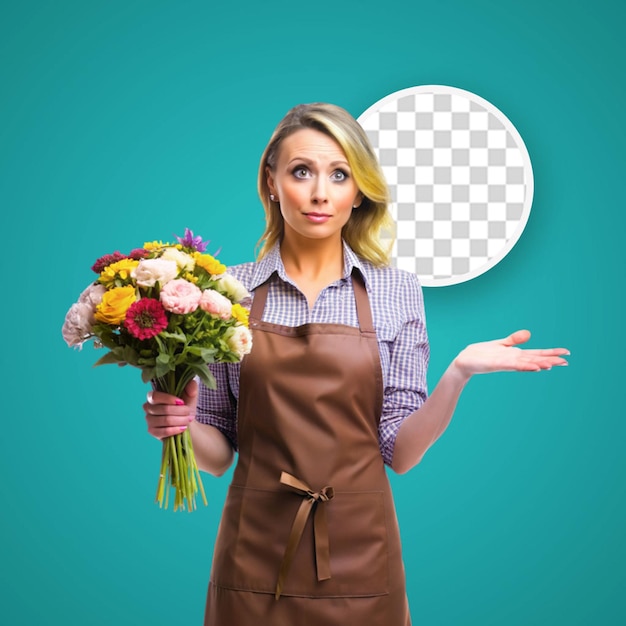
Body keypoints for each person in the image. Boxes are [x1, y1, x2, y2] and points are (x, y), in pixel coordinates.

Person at [143, 103, 569, 625]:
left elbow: (400, 452)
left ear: (358, 189)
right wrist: (179, 427)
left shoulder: (396, 290)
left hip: (361, 550)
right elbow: (217, 454)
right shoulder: (227, 289)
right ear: (272, 182)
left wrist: (458, 374)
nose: (320, 192)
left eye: (339, 174)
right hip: (253, 551)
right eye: (302, 171)